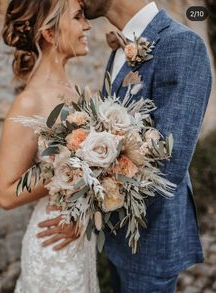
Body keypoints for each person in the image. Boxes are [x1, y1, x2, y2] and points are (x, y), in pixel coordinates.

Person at [38, 0, 212, 292]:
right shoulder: (119, 49)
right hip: (118, 239)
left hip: (151, 240)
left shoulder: (182, 45)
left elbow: (169, 165)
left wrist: (84, 212)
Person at [0, 0, 100, 292]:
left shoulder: (77, 91)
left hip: (79, 236)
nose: (87, 25)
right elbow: (5, 194)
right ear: (50, 34)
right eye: (78, 17)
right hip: (52, 245)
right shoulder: (29, 102)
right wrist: (68, 167)